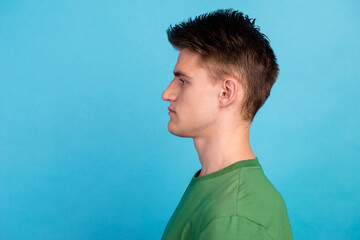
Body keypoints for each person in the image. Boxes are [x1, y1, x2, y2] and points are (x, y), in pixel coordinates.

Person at [161, 8, 293, 240]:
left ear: (226, 92)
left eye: (183, 81)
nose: (167, 93)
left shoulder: (235, 218)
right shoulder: (214, 185)